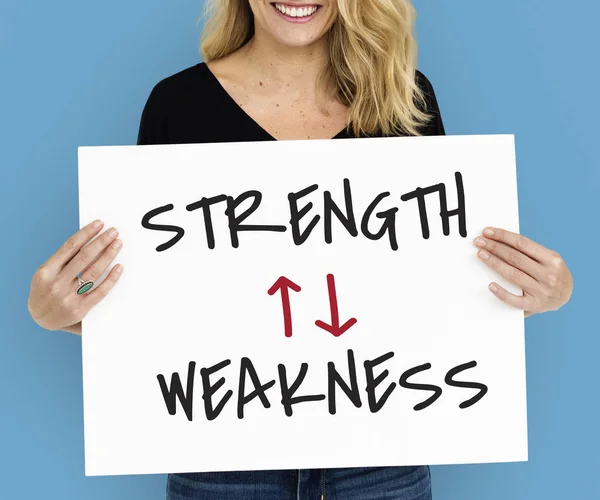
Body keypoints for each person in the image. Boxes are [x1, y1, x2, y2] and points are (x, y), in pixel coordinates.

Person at [27, 0, 574, 498]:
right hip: (221, 465)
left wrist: (549, 291)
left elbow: (439, 287)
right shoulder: (178, 104)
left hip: (381, 460)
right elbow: (155, 303)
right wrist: (63, 311)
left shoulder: (406, 101)